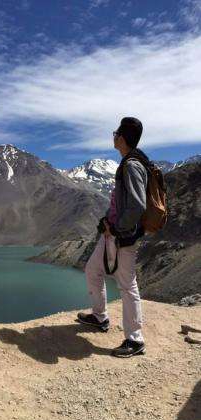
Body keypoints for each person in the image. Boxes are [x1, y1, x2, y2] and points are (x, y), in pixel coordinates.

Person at [77, 117, 148, 358]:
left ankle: (135, 339)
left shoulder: (132, 166)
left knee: (128, 286)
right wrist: (106, 222)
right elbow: (120, 204)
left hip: (123, 238)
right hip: (111, 235)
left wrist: (116, 229)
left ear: (123, 137)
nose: (113, 135)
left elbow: (137, 206)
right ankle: (100, 317)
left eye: (116, 132)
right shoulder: (127, 163)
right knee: (92, 270)